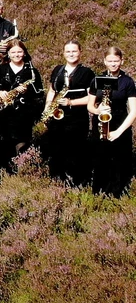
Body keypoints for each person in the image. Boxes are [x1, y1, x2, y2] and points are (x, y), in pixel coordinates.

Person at [43, 41, 95, 187]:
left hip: (77, 118)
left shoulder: (87, 73)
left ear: (80, 52)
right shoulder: (58, 70)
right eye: (68, 51)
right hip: (57, 116)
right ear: (63, 53)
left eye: (74, 51)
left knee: (75, 152)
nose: (71, 54)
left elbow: (91, 98)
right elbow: (52, 90)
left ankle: (77, 184)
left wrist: (71, 102)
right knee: (56, 151)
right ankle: (57, 184)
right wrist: (47, 106)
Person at [88, 47, 136, 197]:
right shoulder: (97, 79)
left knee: (119, 164)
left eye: (116, 61)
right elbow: (90, 106)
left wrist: (118, 132)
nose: (113, 64)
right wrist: (98, 110)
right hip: (100, 126)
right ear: (105, 61)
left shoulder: (128, 82)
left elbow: (134, 111)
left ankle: (117, 198)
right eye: (110, 61)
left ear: (122, 61)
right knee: (100, 162)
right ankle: (98, 197)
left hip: (120, 126)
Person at [0, 40, 44, 171]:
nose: (16, 55)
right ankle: (5, 172)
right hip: (4, 113)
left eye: (19, 52)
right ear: (8, 54)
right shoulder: (0, 69)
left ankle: (22, 171)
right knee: (5, 144)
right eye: (13, 52)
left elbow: (39, 93)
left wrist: (28, 90)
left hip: (24, 114)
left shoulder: (32, 71)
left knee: (23, 143)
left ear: (24, 53)